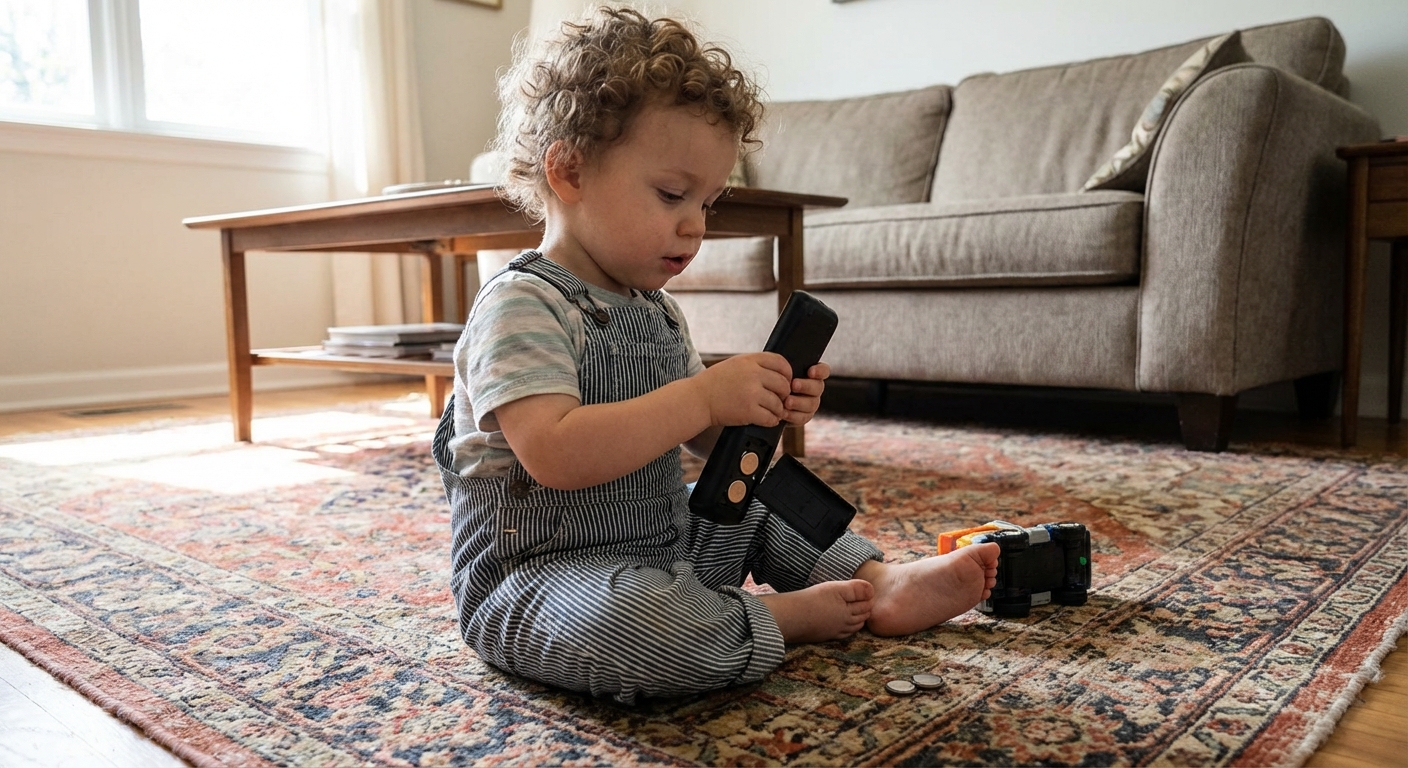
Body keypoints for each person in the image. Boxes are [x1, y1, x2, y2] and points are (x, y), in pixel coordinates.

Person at [433, 6, 1000, 705]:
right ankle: (767, 620)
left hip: (666, 545)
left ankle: (878, 583)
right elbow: (554, 452)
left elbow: (701, 439)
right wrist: (701, 395)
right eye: (673, 194)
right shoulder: (521, 306)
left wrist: (755, 409)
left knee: (757, 500)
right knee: (634, 626)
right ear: (569, 171)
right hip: (542, 579)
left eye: (708, 201)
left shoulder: (654, 309)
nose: (696, 225)